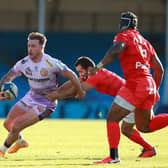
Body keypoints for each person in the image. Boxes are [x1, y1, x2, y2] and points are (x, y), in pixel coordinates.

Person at [88, 11, 168, 164]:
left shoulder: (124, 36)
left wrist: (98, 66)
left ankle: (114, 157)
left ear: (123, 24)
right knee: (144, 126)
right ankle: (146, 150)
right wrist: (155, 89)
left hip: (135, 84)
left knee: (112, 118)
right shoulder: (145, 42)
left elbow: (117, 49)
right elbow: (160, 69)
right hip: (149, 84)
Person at [46, 56, 157, 158]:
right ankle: (149, 149)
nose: (80, 74)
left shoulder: (95, 76)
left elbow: (78, 89)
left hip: (132, 97)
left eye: (80, 71)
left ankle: (114, 156)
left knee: (120, 123)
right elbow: (73, 82)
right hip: (132, 97)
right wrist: (57, 91)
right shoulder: (91, 74)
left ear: (89, 68)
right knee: (128, 129)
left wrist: (56, 96)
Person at [0, 32, 85, 157]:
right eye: (29, 46)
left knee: (17, 126)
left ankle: (2, 150)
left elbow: (72, 75)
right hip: (31, 96)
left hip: (46, 102)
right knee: (7, 124)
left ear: (41, 47)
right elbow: (8, 76)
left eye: (33, 46)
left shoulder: (51, 63)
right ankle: (21, 142)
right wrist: (2, 89)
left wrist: (80, 91)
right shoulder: (23, 63)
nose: (30, 49)